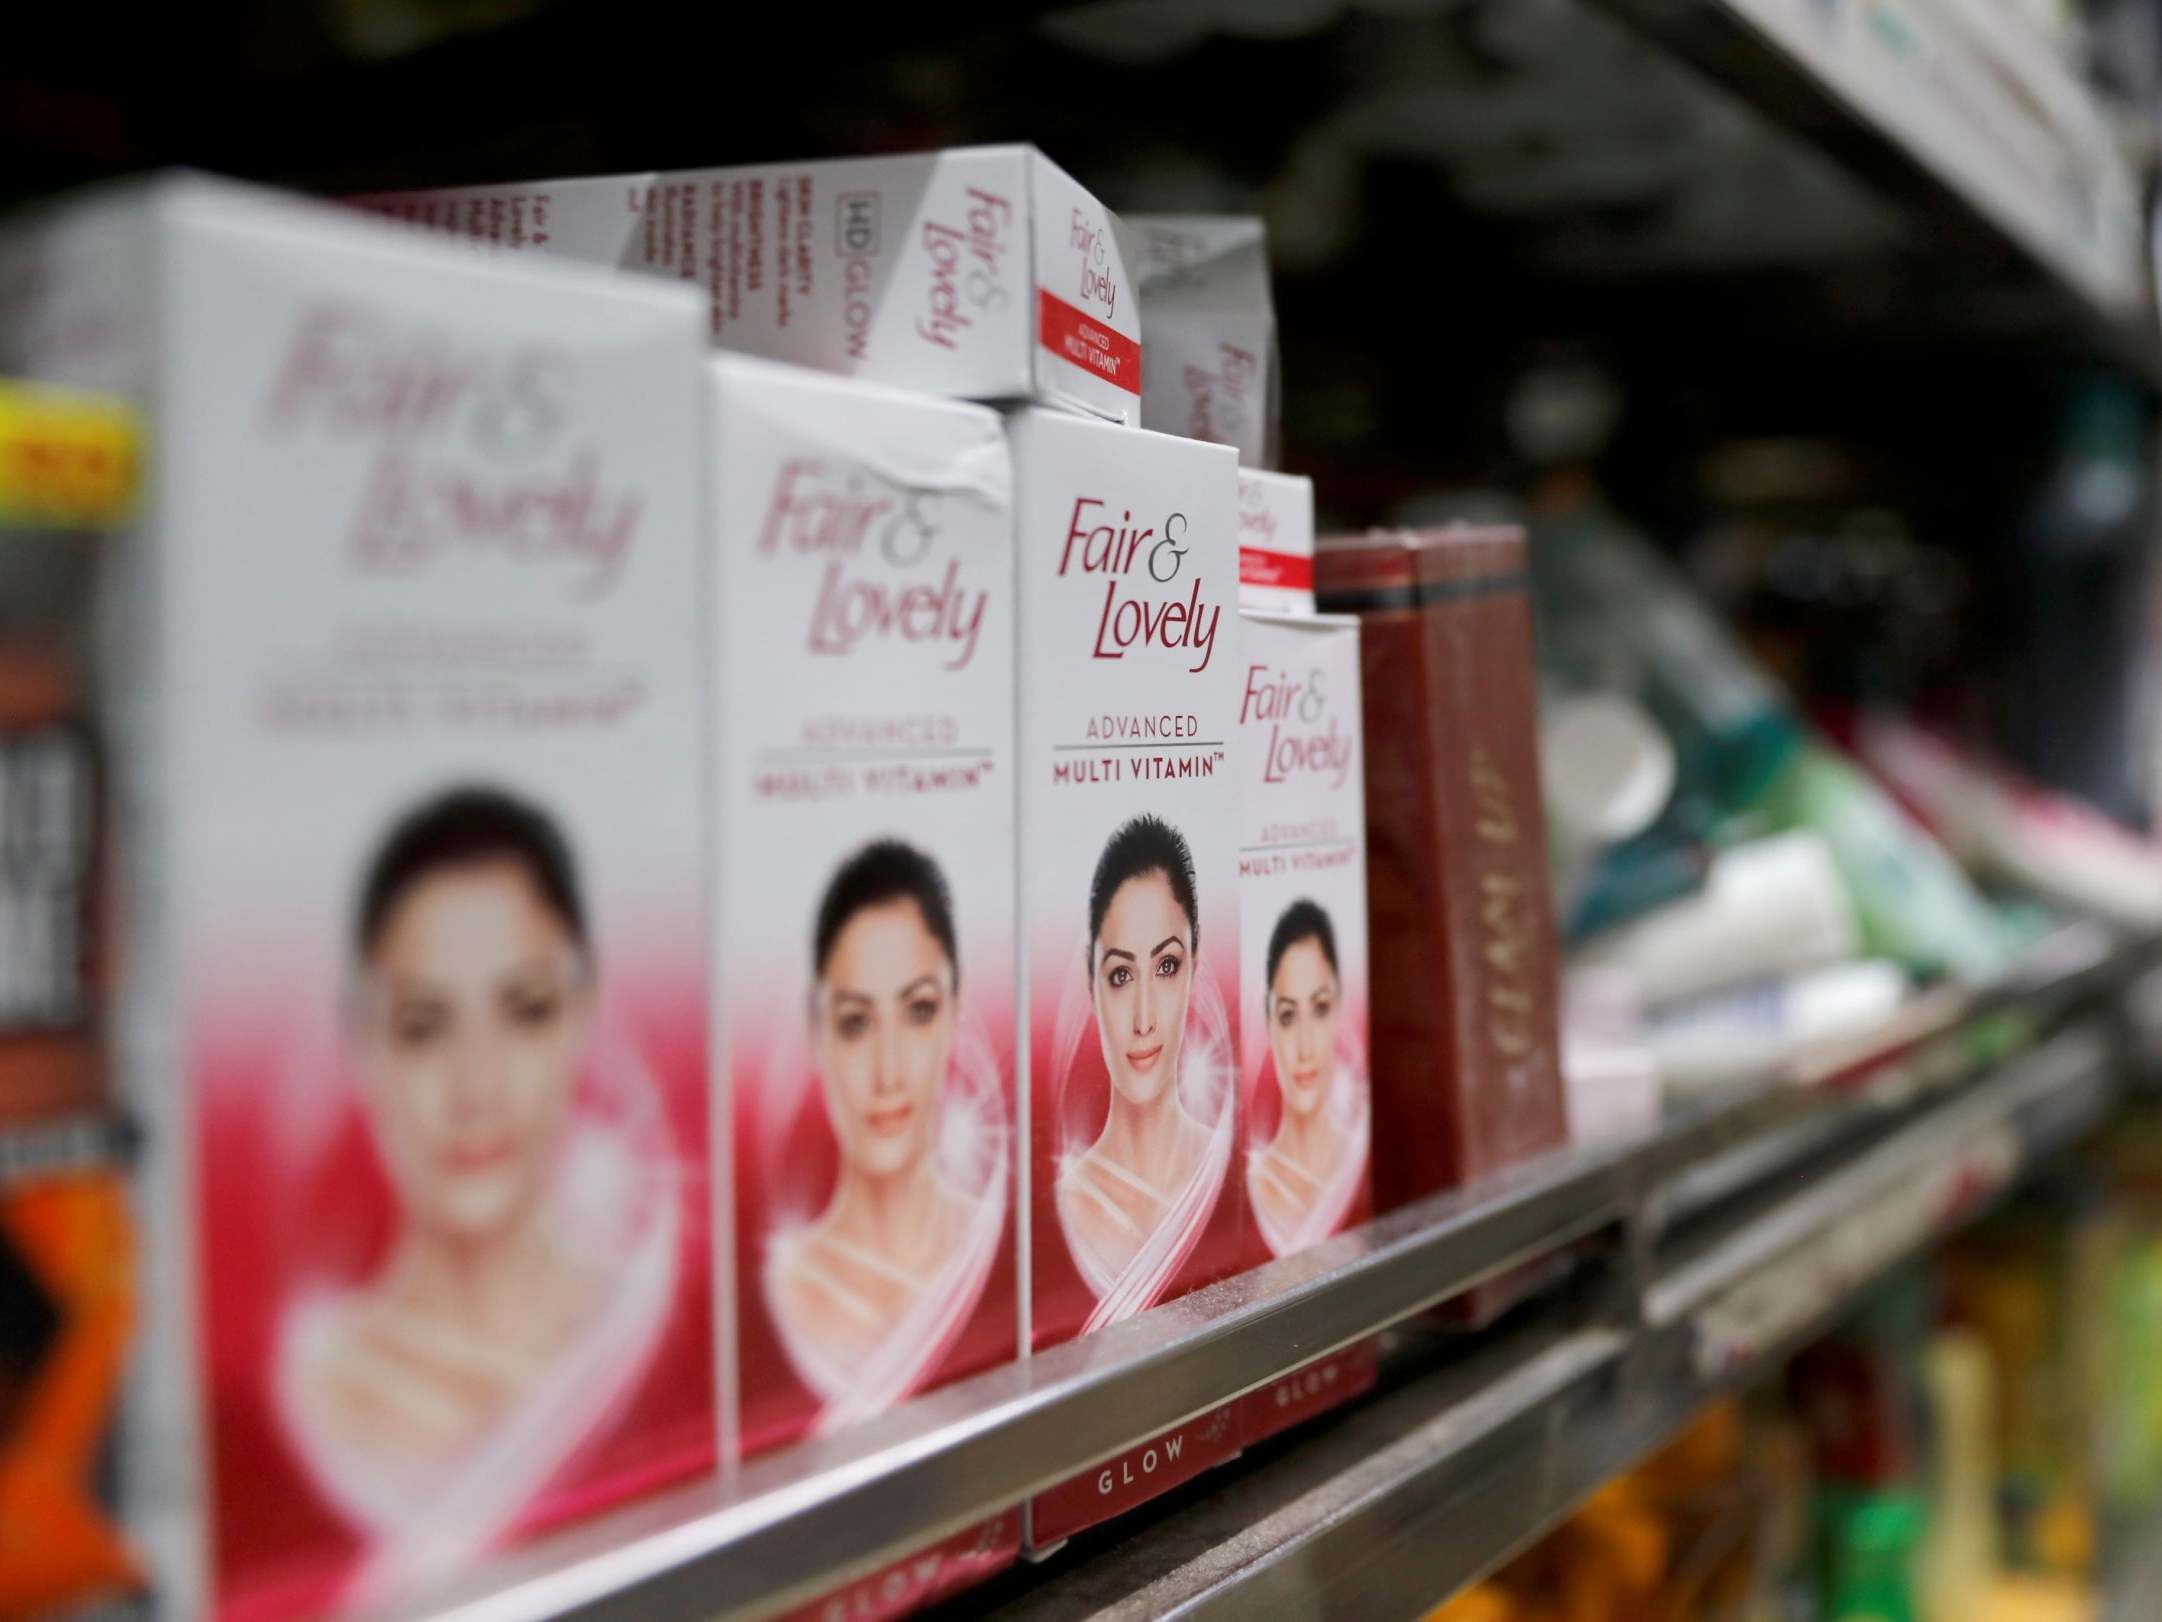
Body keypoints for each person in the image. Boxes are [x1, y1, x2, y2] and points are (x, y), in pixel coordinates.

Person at [276, 787, 678, 1581]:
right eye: (424, 1026)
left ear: (582, 1016)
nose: (476, 1087)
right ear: (363, 1042)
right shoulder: (311, 1382)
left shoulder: (644, 1330)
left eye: (525, 1011)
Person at [765, 840, 1000, 1426]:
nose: (890, 1071)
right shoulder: (780, 1289)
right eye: (856, 1022)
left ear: (953, 1013)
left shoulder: (993, 1247)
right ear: (817, 1032)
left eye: (918, 1011)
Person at [1058, 814, 1227, 1317]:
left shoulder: (1226, 1170)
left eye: (1167, 966)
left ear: (1195, 966)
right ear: (1091, 983)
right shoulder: (1061, 1207)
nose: (1144, 1018)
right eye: (1121, 975)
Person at [1246, 900, 1367, 1256]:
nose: (1304, 1047)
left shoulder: (1356, 1158)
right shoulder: (1253, 1186)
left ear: (1340, 1007)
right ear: (1268, 1020)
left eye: (1320, 1009)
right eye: (1287, 1016)